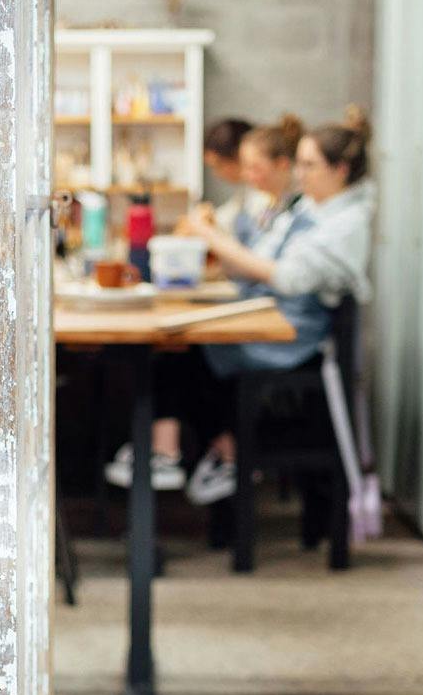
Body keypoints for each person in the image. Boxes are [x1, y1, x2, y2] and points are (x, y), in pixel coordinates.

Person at [103, 114, 306, 492]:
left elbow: (273, 272)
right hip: (263, 313)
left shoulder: (298, 213)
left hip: (281, 328)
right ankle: (205, 455)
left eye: (254, 168)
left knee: (185, 357)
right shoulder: (271, 208)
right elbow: (250, 265)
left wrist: (210, 235)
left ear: (282, 165)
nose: (247, 176)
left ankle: (193, 455)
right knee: (181, 354)